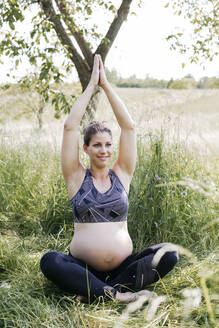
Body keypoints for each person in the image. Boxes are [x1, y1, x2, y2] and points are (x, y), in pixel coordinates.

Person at [40, 54, 178, 303]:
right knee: (50, 261)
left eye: (107, 145)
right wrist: (92, 85)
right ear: (86, 149)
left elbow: (129, 127)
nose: (103, 150)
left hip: (123, 269)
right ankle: (120, 295)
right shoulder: (75, 177)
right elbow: (70, 126)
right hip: (83, 269)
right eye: (96, 145)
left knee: (169, 254)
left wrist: (107, 85)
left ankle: (99, 291)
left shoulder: (122, 174)